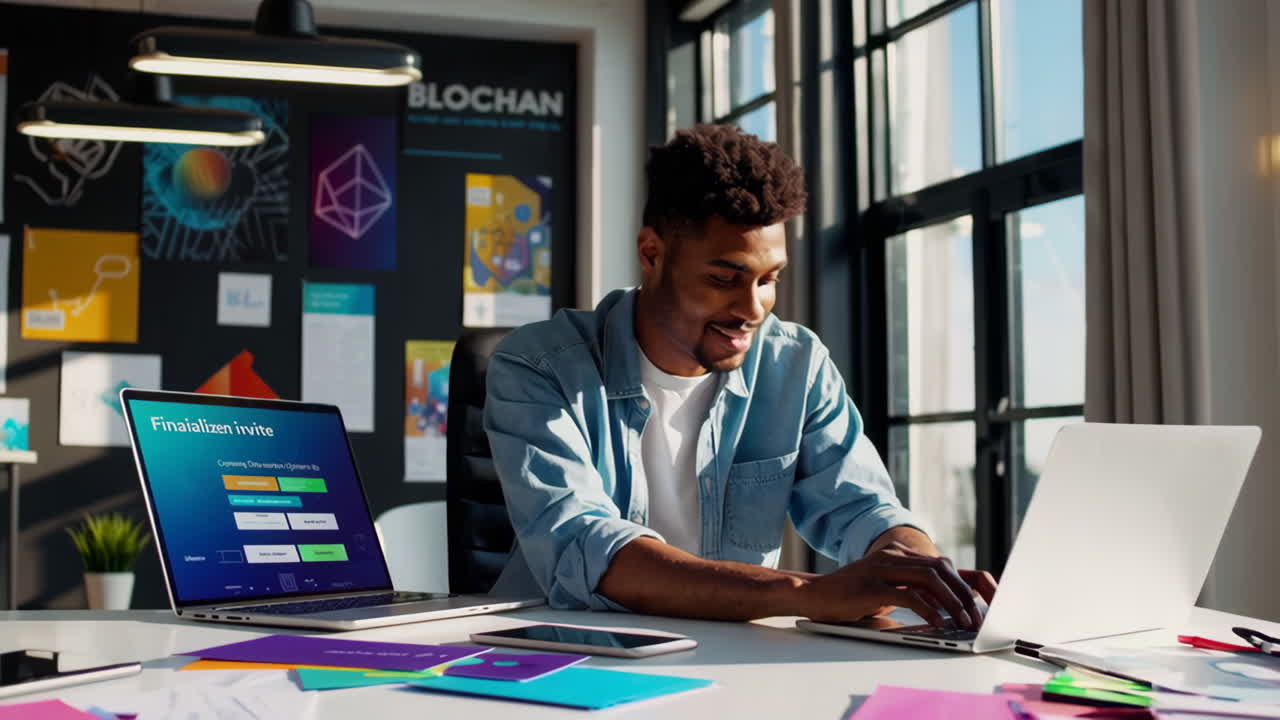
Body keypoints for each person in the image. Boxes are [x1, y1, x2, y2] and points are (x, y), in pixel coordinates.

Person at [484, 123, 996, 627]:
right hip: (563, 656)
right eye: (724, 278)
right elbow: (585, 546)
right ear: (651, 254)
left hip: (730, 662)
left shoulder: (796, 364)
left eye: (769, 279)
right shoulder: (538, 367)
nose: (753, 308)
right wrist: (808, 594)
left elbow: (863, 507)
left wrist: (919, 569)